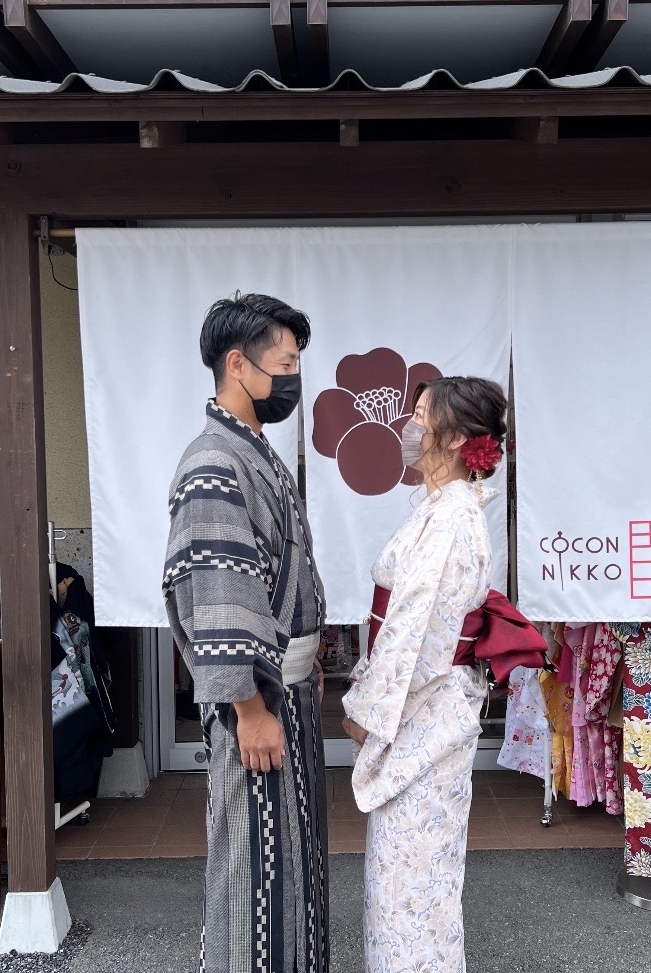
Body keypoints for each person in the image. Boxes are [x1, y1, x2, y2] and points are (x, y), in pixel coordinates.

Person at [163, 293, 328, 973]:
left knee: (294, 860)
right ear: (238, 364)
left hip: (283, 688)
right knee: (255, 868)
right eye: (285, 363)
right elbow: (220, 596)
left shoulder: (253, 450)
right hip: (255, 699)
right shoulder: (214, 461)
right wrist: (248, 706)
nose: (293, 378)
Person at [341, 375, 508, 973]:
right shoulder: (444, 511)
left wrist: (365, 712)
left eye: (419, 417)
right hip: (431, 710)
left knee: (412, 889)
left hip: (424, 715)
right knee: (414, 882)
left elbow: (415, 636)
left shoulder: (452, 521)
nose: (409, 429)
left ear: (456, 436)